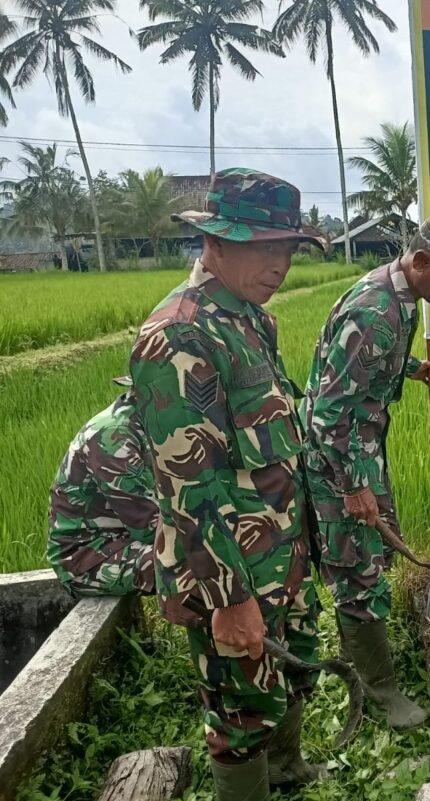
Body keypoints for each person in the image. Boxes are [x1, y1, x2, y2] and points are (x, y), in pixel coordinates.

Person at [129, 168, 325, 800]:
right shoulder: (178, 336)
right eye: (263, 246)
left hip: (279, 556)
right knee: (242, 714)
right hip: (231, 572)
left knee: (291, 680)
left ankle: (290, 776)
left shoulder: (249, 319)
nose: (280, 265)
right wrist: (229, 599)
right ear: (214, 242)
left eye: (288, 249)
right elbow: (189, 489)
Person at [302, 208, 430, 730]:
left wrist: (409, 367)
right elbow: (328, 412)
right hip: (338, 460)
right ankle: (379, 694)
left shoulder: (400, 295)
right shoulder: (375, 310)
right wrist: (354, 486)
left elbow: (357, 362)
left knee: (373, 555)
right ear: (424, 260)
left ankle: (373, 660)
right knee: (355, 569)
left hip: (359, 451)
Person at [47, 378, 156, 598]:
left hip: (126, 541)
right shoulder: (113, 436)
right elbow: (150, 527)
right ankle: (225, 632)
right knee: (204, 567)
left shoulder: (154, 424)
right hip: (89, 559)